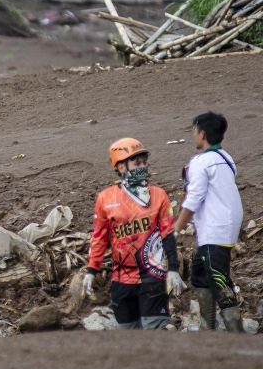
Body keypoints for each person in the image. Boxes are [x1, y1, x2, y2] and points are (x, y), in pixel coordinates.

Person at [83, 138, 185, 330]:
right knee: (128, 336)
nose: (143, 167)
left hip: (153, 276)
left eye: (144, 162)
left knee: (154, 330)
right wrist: (91, 270)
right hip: (121, 279)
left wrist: (173, 268)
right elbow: (99, 237)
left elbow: (168, 234)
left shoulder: (159, 195)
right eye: (137, 163)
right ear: (121, 167)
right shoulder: (105, 198)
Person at [174, 112, 244, 332]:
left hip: (216, 231)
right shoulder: (226, 157)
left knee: (219, 283)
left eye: (194, 131)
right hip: (224, 230)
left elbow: (194, 198)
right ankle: (208, 330)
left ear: (202, 134)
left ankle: (238, 338)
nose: (193, 135)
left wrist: (176, 228)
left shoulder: (201, 162)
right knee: (200, 274)